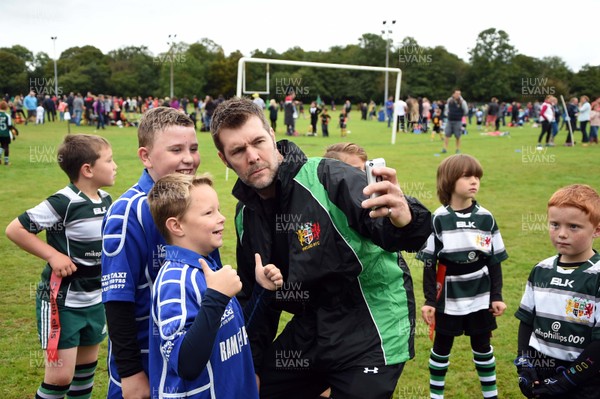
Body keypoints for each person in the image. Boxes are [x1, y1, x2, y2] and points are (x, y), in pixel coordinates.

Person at [209, 97, 432, 399]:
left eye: (258, 142)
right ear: (225, 159)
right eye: (238, 150)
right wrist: (251, 368)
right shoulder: (245, 216)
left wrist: (406, 219)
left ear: (272, 136)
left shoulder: (328, 177)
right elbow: (256, 300)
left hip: (371, 323)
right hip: (311, 329)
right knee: (255, 389)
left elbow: (397, 233)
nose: (252, 157)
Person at [101, 106, 220, 399]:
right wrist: (130, 373)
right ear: (146, 156)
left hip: (185, 357)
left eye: (193, 148)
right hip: (144, 364)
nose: (189, 159)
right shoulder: (129, 211)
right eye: (176, 150)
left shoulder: (193, 201)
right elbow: (117, 298)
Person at [146, 173, 283, 398]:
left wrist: (262, 291)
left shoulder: (206, 268)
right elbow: (186, 364)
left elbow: (236, 332)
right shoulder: (175, 281)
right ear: (176, 225)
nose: (221, 218)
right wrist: (217, 298)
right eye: (209, 213)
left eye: (218, 209)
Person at [6, 134, 117, 399]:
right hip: (62, 303)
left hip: (95, 300)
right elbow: (15, 229)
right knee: (59, 378)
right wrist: (53, 255)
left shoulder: (106, 200)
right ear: (87, 169)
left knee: (85, 372)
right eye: (110, 160)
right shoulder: (63, 202)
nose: (115, 166)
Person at [418, 154, 508, 399]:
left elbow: (494, 260)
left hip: (480, 293)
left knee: (482, 346)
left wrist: (496, 296)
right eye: (467, 176)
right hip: (448, 295)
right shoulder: (439, 218)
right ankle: (436, 396)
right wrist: (429, 301)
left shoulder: (485, 217)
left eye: (477, 176)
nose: (474, 181)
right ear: (449, 180)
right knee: (441, 347)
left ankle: (491, 394)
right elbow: (429, 263)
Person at [514, 184, 600, 398]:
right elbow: (527, 320)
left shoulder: (596, 276)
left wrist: (567, 379)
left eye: (573, 227)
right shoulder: (541, 270)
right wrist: (524, 363)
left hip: (584, 378)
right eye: (555, 224)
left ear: (596, 230)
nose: (562, 234)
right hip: (541, 370)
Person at [442, 89, 468, 154]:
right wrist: (447, 114)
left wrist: (460, 115)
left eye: (459, 94)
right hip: (450, 120)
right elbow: (446, 109)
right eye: (456, 93)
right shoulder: (449, 100)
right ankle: (444, 148)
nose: (458, 95)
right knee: (447, 135)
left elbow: (466, 111)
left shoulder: (462, 102)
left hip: (458, 121)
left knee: (458, 136)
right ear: (453, 94)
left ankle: (458, 149)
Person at [0, 101, 15, 165]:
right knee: (6, 146)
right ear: (6, 108)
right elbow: (9, 126)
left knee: (1, 146)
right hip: (5, 134)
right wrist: (14, 132)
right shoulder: (7, 115)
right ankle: (6, 162)